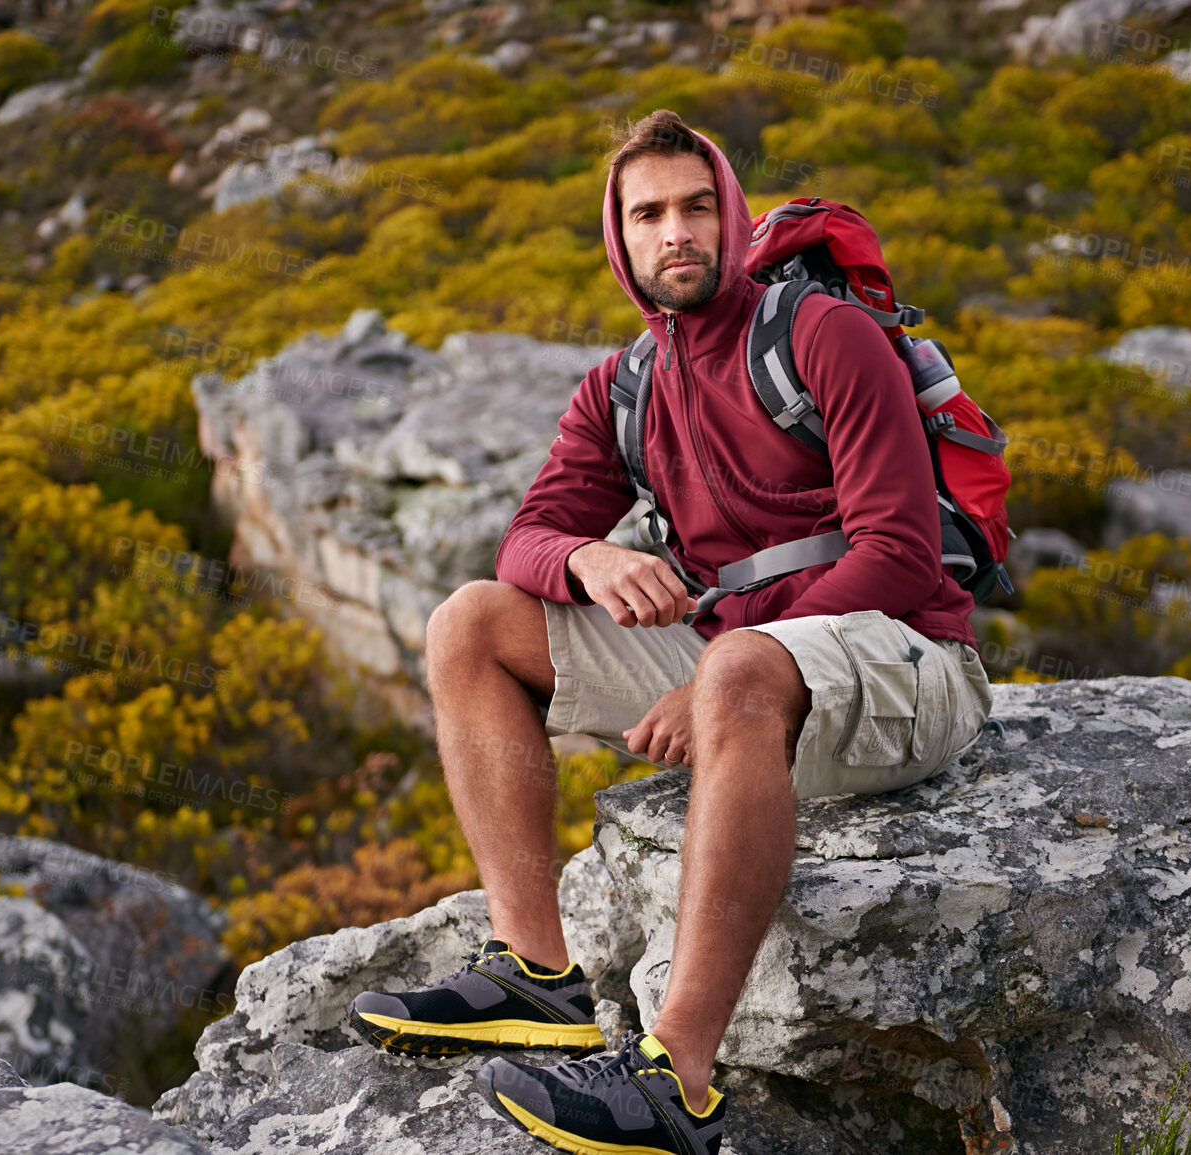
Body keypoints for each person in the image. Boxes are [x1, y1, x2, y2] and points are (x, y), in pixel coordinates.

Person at [347, 108, 994, 1155]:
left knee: (737, 663)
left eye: (697, 208)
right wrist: (587, 558)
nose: (675, 232)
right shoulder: (624, 385)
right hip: (749, 667)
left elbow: (901, 555)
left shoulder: (823, 336)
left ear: (732, 220)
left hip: (906, 662)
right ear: (619, 240)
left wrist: (711, 685)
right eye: (648, 214)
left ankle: (674, 1078)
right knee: (469, 622)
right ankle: (536, 975)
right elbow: (527, 538)